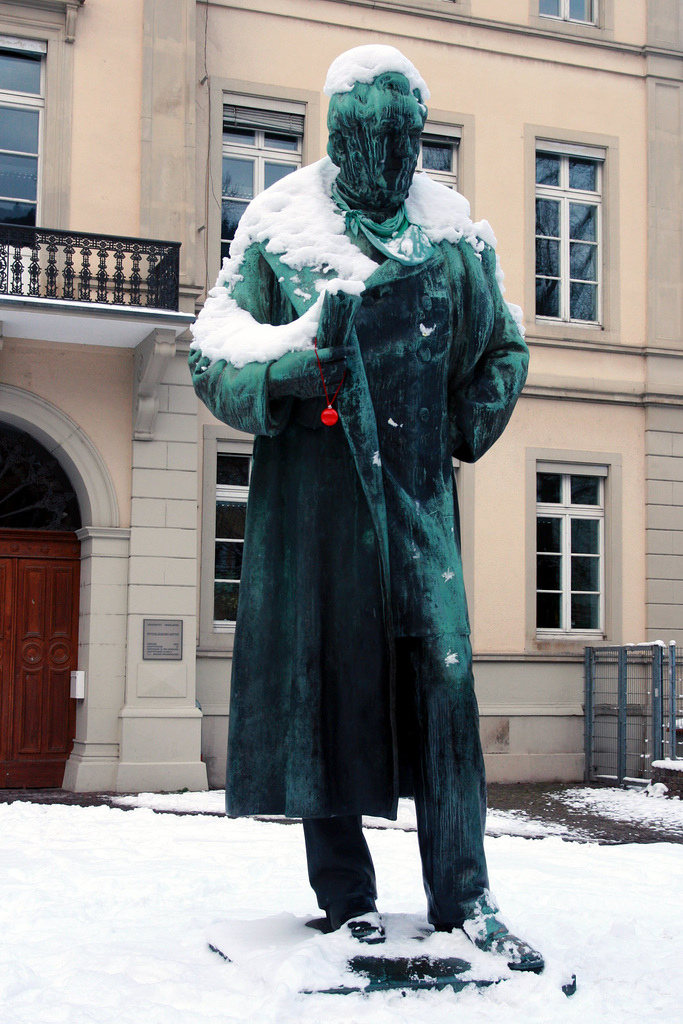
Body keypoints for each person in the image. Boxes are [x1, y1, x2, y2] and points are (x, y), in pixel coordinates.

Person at [190, 44, 542, 971]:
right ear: (334, 135)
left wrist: (460, 424)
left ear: (419, 138)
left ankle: (464, 898)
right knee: (325, 692)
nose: (385, 154)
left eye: (402, 136)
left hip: (418, 509)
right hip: (316, 517)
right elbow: (211, 353)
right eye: (365, 135)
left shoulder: (456, 236)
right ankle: (344, 900)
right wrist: (293, 371)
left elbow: (504, 349)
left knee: (445, 690)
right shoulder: (278, 230)